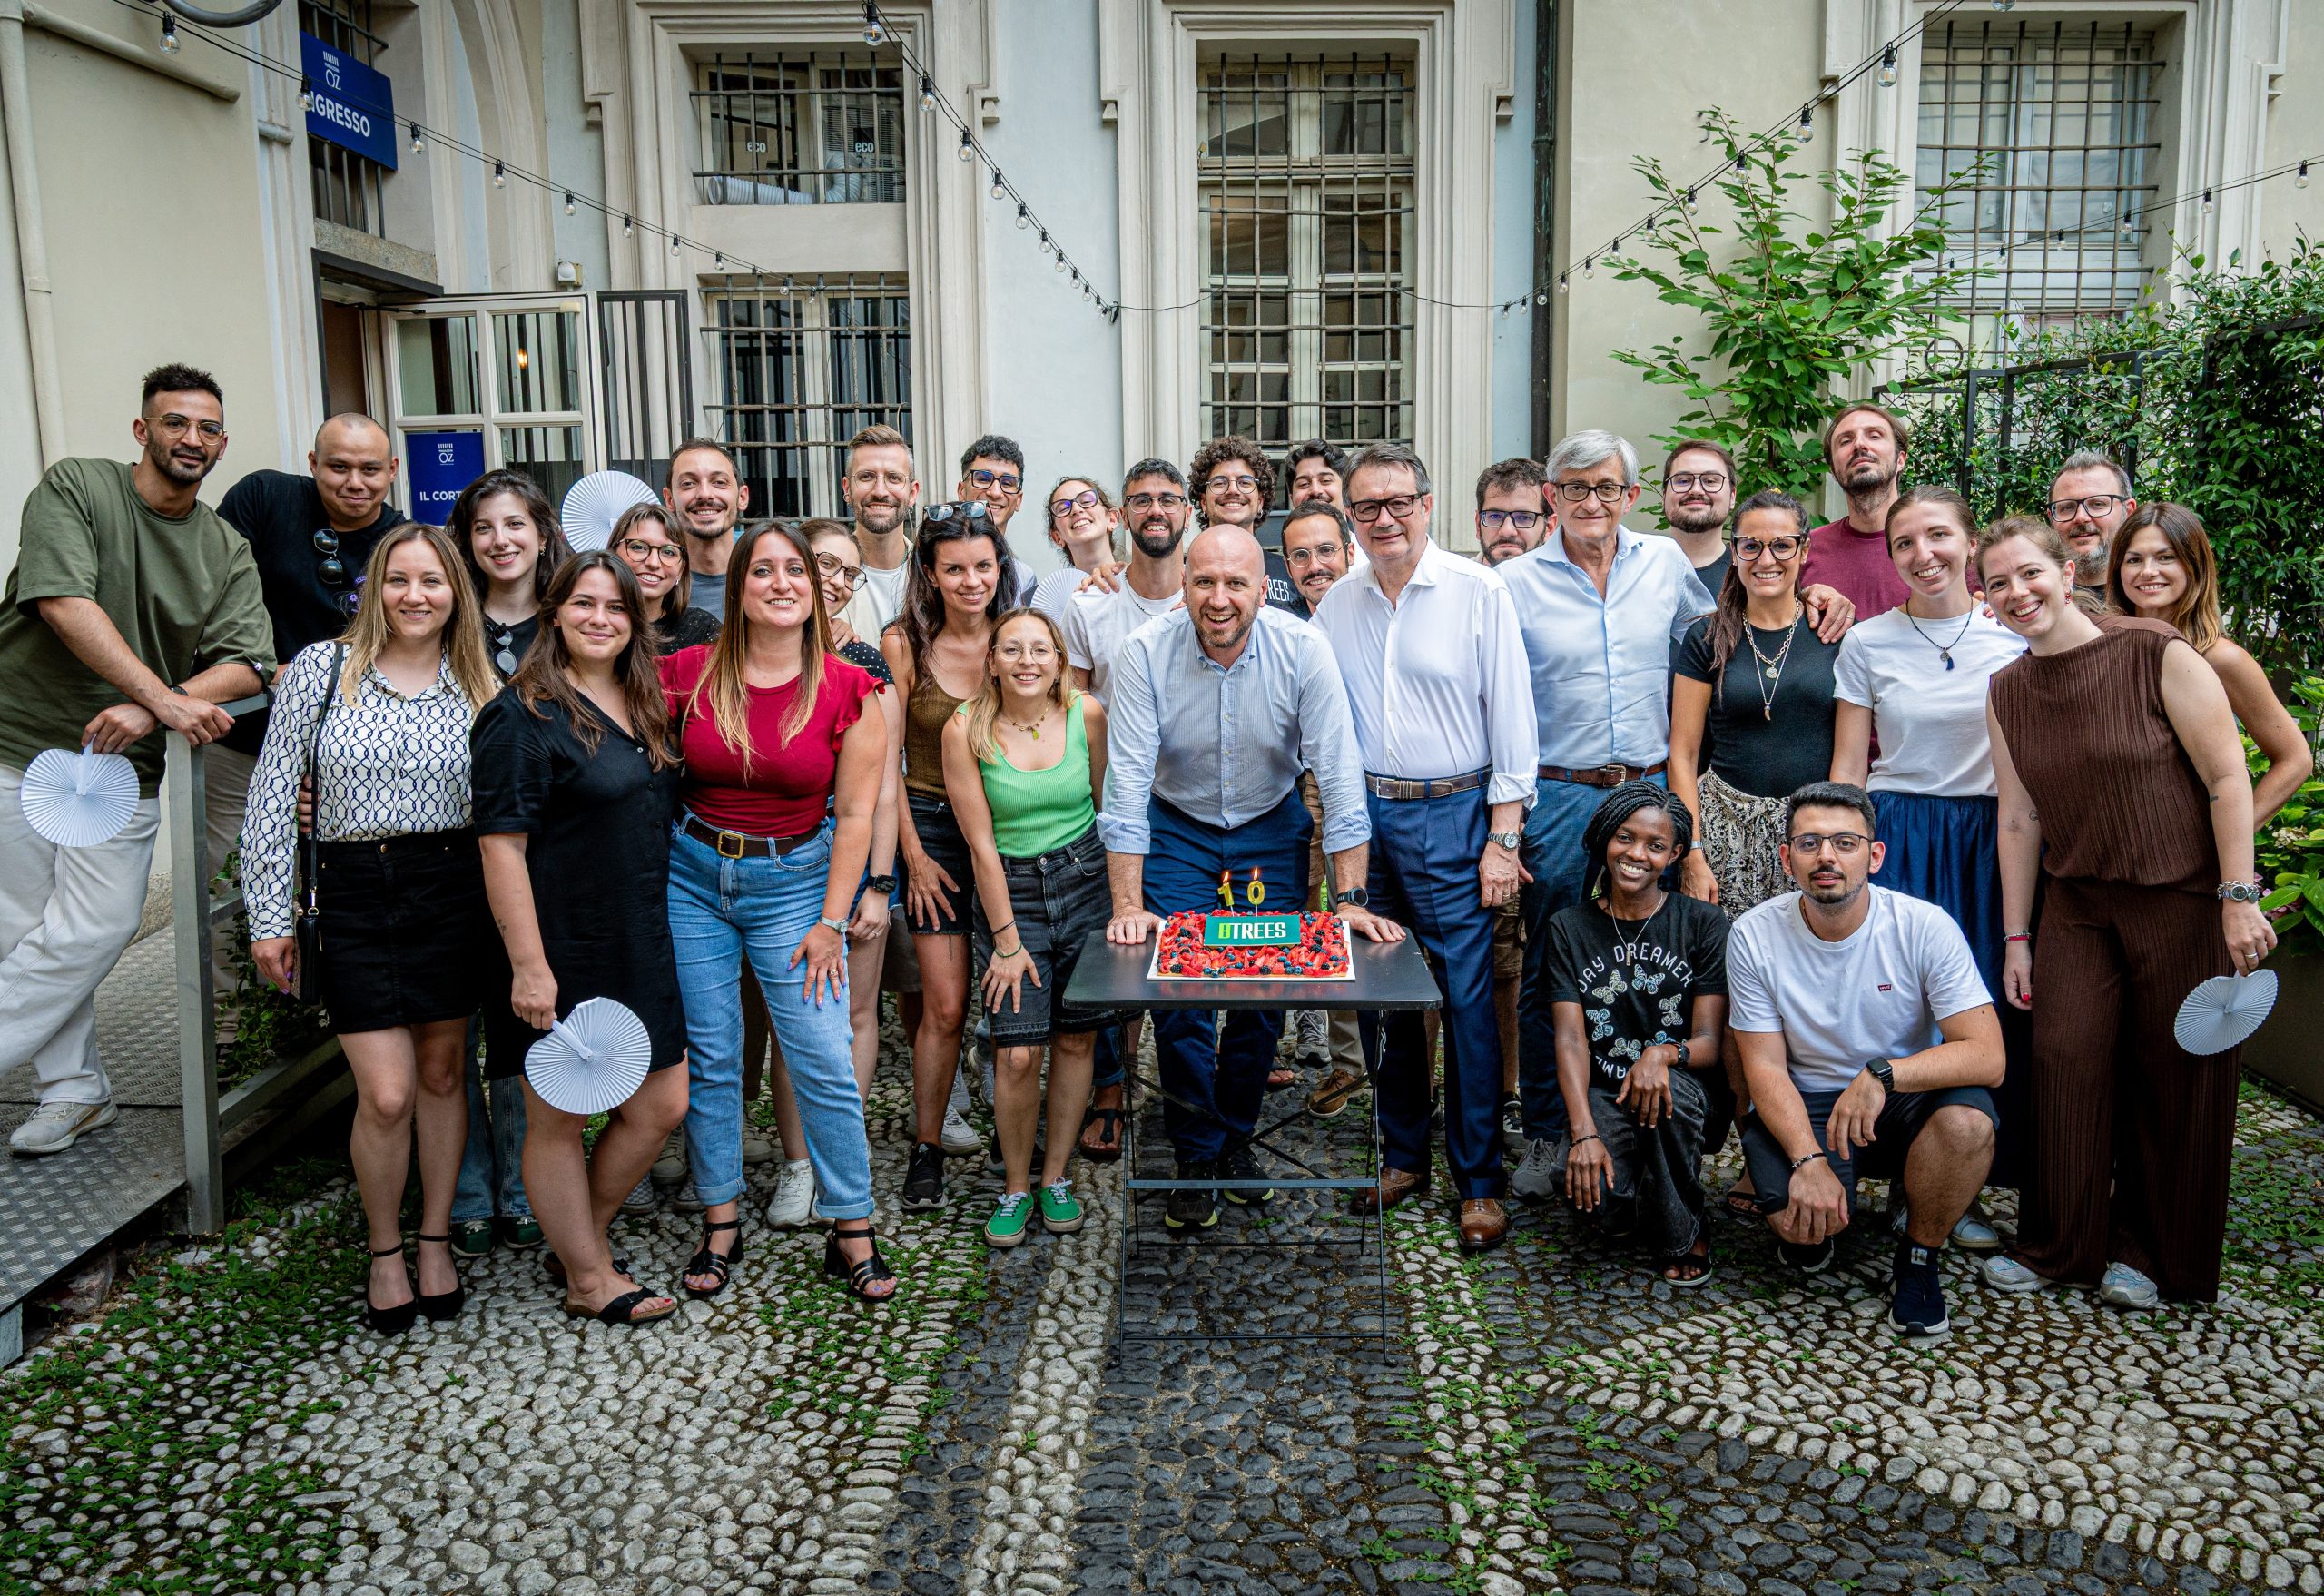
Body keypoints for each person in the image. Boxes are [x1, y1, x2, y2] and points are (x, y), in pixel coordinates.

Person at [1979, 518, 2276, 1308]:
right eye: (1999, 583)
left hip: (2180, 898)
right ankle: (2059, 1245)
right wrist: (2017, 937)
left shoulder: (2155, 651)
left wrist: (2237, 897)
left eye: (2029, 573)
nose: (2018, 593)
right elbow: (2019, 818)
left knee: (2174, 1075)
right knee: (2063, 1062)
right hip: (2077, 904)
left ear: (2066, 569)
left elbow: (2228, 778)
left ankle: (2150, 1253)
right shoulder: (2006, 689)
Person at [0, 364, 272, 1156]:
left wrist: (154, 706)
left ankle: (67, 1085)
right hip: (17, 738)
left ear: (222, 444)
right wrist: (164, 698)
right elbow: (62, 601)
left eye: (208, 428)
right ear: (142, 429)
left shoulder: (223, 546)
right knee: (21, 927)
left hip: (120, 768)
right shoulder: (79, 487)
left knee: (98, 924)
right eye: (176, 422)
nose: (192, 438)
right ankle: (74, 1089)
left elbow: (250, 661)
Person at [1102, 526, 1393, 1231]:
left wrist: (1351, 899)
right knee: (1180, 993)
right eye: (1205, 581)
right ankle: (1196, 1155)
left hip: (1268, 821)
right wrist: (1127, 904)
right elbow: (1128, 782)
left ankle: (1236, 1138)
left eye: (1236, 583)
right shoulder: (1144, 652)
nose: (1219, 598)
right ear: (1183, 586)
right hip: (1179, 825)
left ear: (1264, 590)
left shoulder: (1304, 649)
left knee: (1264, 992)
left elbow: (1339, 776)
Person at [242, 524, 497, 1329]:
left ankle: (435, 1238)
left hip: (452, 887)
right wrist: (269, 916)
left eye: (432, 581)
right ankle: (384, 1247)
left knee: (444, 1073)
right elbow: (271, 799)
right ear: (373, 588)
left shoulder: (482, 680)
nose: (415, 596)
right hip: (353, 890)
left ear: (456, 592)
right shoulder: (322, 671)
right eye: (398, 580)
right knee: (386, 1094)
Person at [1315, 442, 1535, 1254]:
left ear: (1427, 504)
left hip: (1455, 813)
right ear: (1350, 515)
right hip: (1366, 818)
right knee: (1385, 995)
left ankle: (1478, 1182)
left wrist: (1502, 839)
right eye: (1367, 507)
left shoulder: (1478, 591)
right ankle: (1404, 1155)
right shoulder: (1337, 604)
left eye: (1398, 502)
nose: (1384, 519)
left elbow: (1514, 720)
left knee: (1466, 1003)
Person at [662, 521, 892, 1300]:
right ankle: (720, 1220)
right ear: (738, 587)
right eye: (762, 571)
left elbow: (855, 816)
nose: (782, 583)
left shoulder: (850, 687)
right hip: (692, 878)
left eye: (795, 569)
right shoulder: (687, 673)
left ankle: (852, 1225)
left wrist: (831, 922)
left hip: (795, 886)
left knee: (822, 1055)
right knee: (713, 1056)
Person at [1496, 431, 1717, 1197]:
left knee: (1660, 957)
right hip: (1560, 793)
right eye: (1576, 488)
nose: (1592, 502)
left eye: (1607, 487)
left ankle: (1657, 1123)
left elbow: (1716, 638)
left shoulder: (1665, 564)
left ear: (1631, 495)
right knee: (1552, 964)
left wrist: (1814, 596)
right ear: (1551, 496)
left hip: (1652, 791)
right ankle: (1548, 1132)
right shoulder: (1513, 583)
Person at [471, 552, 690, 1325]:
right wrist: (529, 967)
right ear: (554, 612)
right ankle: (589, 1279)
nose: (600, 618)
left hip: (638, 936)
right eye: (584, 603)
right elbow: (501, 848)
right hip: (558, 945)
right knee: (558, 1118)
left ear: (635, 620)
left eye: (616, 607)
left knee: (662, 1102)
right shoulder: (521, 716)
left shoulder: (642, 699)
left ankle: (578, 1241)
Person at [1729, 782, 2004, 1340]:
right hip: (1806, 1097)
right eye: (1809, 843)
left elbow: (1987, 1055)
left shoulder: (1924, 926)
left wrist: (1883, 1074)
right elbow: (1764, 1069)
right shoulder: (1752, 934)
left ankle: (1919, 1257)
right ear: (1786, 858)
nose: (1826, 856)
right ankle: (1823, 1207)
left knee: (1968, 1124)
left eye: (1845, 842)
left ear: (1874, 856)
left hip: (1899, 1097)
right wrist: (1807, 1160)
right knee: (1800, 1230)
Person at [1827, 486, 2024, 1227]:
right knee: (1902, 1003)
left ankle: (1959, 1178)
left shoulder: (2012, 635)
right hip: (1901, 831)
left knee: (1979, 1004)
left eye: (1938, 535)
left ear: (1970, 542)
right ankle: (1893, 1170)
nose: (1923, 554)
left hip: (1988, 839)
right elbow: (1850, 765)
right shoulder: (1868, 642)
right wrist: (1842, 852)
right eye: (1904, 543)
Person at [943, 609, 1130, 1244]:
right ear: (992, 660)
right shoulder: (965, 728)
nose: (1027, 661)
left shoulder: (1087, 715)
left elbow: (1108, 812)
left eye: (1040, 649)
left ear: (1058, 660)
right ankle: (1016, 1187)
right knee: (1018, 1051)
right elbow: (980, 846)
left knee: (1076, 1043)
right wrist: (1005, 941)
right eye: (1013, 649)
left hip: (1085, 884)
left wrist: (1123, 903)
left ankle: (1056, 1177)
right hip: (1010, 893)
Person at [211, 415, 402, 1025]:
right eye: (338, 466)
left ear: (392, 471)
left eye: (369, 469)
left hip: (343, 756)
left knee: (325, 888)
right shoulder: (264, 499)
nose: (354, 482)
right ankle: (234, 1033)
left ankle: (311, 1023)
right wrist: (265, 666)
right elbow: (214, 593)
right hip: (243, 740)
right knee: (228, 885)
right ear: (313, 462)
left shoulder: (403, 541)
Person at [446, 468, 570, 1256]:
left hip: (540, 851)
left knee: (526, 1016)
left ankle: (524, 1184)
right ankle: (468, 1185)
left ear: (541, 533)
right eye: (485, 527)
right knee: (453, 1027)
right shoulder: (441, 619)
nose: (501, 541)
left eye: (515, 524)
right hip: (449, 850)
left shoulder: (567, 621)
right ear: (467, 541)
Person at [1542, 783, 1729, 1284]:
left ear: (1675, 855)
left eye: (1655, 845)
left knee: (1667, 1097)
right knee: (1586, 1192)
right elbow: (1570, 1039)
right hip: (1608, 1091)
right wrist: (1584, 1133)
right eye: (1625, 838)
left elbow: (1710, 1043)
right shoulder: (1568, 928)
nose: (1636, 855)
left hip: (1684, 1090)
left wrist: (1661, 1056)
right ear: (1606, 838)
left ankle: (1685, 1229)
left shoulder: (1704, 923)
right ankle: (1636, 1188)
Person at [883, 503, 1010, 1212]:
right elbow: (885, 760)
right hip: (930, 830)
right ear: (930, 573)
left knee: (1012, 1000)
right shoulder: (904, 642)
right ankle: (927, 1144)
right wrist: (911, 854)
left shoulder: (1014, 637)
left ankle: (1011, 1140)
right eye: (955, 568)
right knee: (945, 1003)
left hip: (1005, 829)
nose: (971, 581)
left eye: (982, 566)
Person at [1670, 490, 1842, 916]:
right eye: (1751, 546)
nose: (1766, 559)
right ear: (1734, 552)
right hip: (1723, 830)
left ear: (1804, 550)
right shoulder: (1706, 638)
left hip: (1810, 832)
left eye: (1782, 545)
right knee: (1726, 950)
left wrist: (1836, 835)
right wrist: (1692, 853)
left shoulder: (1833, 635)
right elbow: (1683, 754)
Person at [2108, 502, 2311, 823]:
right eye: (2134, 560)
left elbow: (2295, 759)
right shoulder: (2103, 649)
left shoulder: (2220, 658)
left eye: (2165, 557)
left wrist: (2231, 837)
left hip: (2185, 847)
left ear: (2194, 565)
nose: (2148, 571)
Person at [1276, 500, 1372, 1116]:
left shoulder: (1371, 608)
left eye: (1326, 551)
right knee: (1313, 919)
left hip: (1375, 781)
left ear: (1349, 551)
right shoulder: (1281, 625)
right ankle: (1345, 1060)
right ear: (1288, 566)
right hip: (1302, 785)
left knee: (1365, 911)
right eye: (1301, 556)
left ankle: (1385, 1063)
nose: (1316, 565)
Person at [1063, 460, 1189, 704]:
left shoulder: (1210, 606)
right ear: (1124, 517)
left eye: (1168, 500)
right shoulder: (1086, 606)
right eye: (1141, 501)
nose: (1155, 511)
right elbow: (1074, 710)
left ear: (1188, 516)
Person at [1800, 403, 1912, 620]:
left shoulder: (1940, 549)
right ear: (1833, 470)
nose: (1859, 444)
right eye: (1845, 441)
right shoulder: (1805, 550)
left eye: (1874, 436)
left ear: (1900, 460)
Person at [842, 424, 922, 635]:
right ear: (847, 488)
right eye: (866, 477)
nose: (879, 491)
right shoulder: (824, 577)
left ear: (913, 493)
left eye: (894, 478)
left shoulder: (932, 573)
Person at [611, 501, 722, 655]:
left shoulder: (702, 630)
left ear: (681, 569)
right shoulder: (594, 625)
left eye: (669, 552)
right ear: (613, 554)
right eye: (638, 547)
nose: (653, 563)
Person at [662, 438, 749, 625]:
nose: (705, 494)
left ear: (742, 497)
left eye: (719, 482)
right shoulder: (655, 578)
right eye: (688, 483)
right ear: (669, 500)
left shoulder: (770, 566)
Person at [956, 434, 1039, 603]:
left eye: (1007, 483)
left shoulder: (1025, 578)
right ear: (962, 491)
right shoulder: (939, 561)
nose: (995, 492)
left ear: (1018, 500)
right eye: (983, 479)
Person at [2045, 449, 2137, 596]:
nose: (2081, 517)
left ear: (2128, 512)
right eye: (2067, 507)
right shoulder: (2033, 597)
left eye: (2098, 504)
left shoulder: (2150, 595)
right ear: (2052, 517)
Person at [1030, 477, 1123, 620]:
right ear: (1057, 538)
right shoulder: (1042, 603)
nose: (1076, 510)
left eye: (1086, 501)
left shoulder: (1138, 583)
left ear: (1112, 519)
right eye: (1063, 508)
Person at [1660, 440, 1738, 593]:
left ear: (1732, 496)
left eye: (1710, 481)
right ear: (1664, 496)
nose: (1696, 490)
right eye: (1683, 481)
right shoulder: (1633, 571)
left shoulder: (1749, 576)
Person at [1473, 458, 1551, 567]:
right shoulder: (1455, 578)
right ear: (1478, 525)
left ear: (1549, 527)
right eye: (1495, 516)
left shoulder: (1567, 578)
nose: (1507, 531)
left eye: (1523, 518)